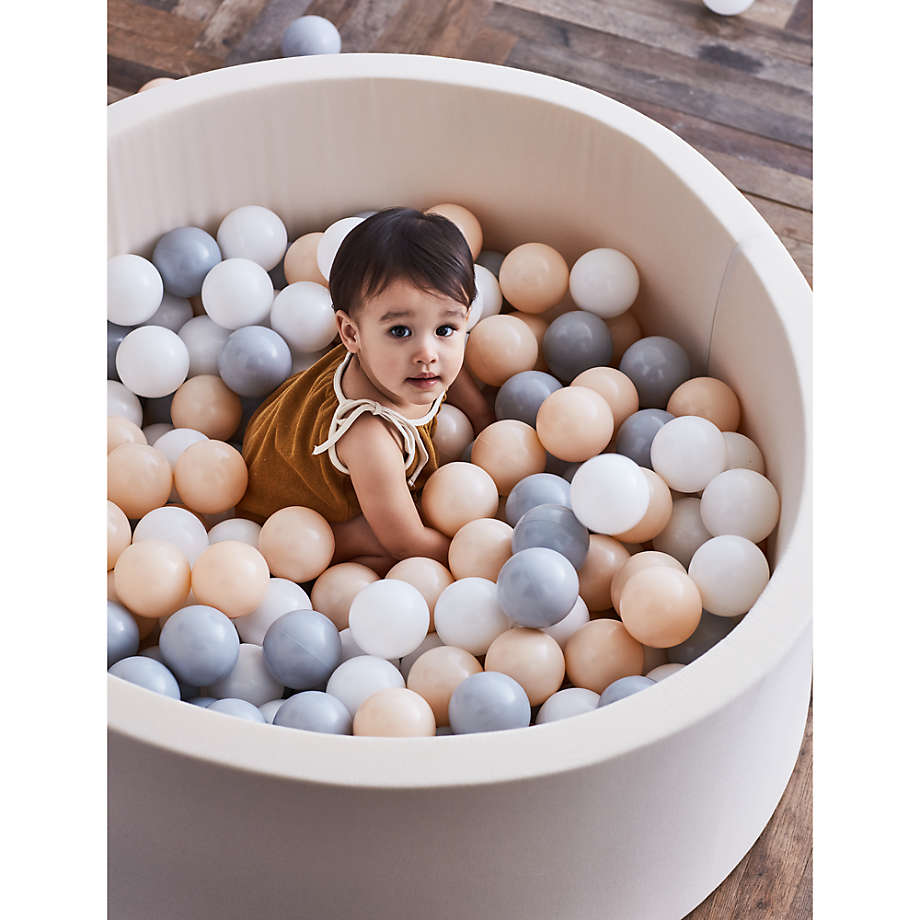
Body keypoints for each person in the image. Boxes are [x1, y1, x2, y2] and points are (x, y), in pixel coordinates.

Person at [238, 207, 495, 576]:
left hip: (293, 432)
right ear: (351, 334)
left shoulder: (406, 366)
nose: (428, 353)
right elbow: (407, 542)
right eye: (400, 331)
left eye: (446, 329)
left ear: (465, 320)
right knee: (389, 554)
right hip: (286, 510)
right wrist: (478, 554)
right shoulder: (370, 435)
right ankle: (351, 537)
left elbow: (458, 376)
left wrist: (485, 418)